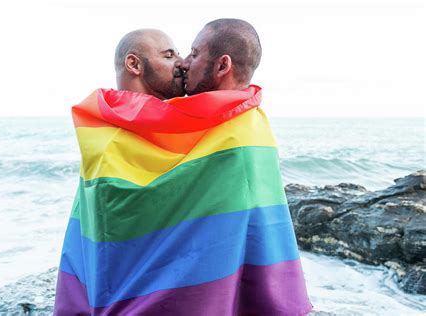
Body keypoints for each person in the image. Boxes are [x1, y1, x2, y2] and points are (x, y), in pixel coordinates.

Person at [55, 20, 312, 315]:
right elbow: (96, 229)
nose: (181, 63)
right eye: (169, 55)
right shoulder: (107, 132)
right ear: (134, 64)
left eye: (189, 53)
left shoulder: (229, 128)